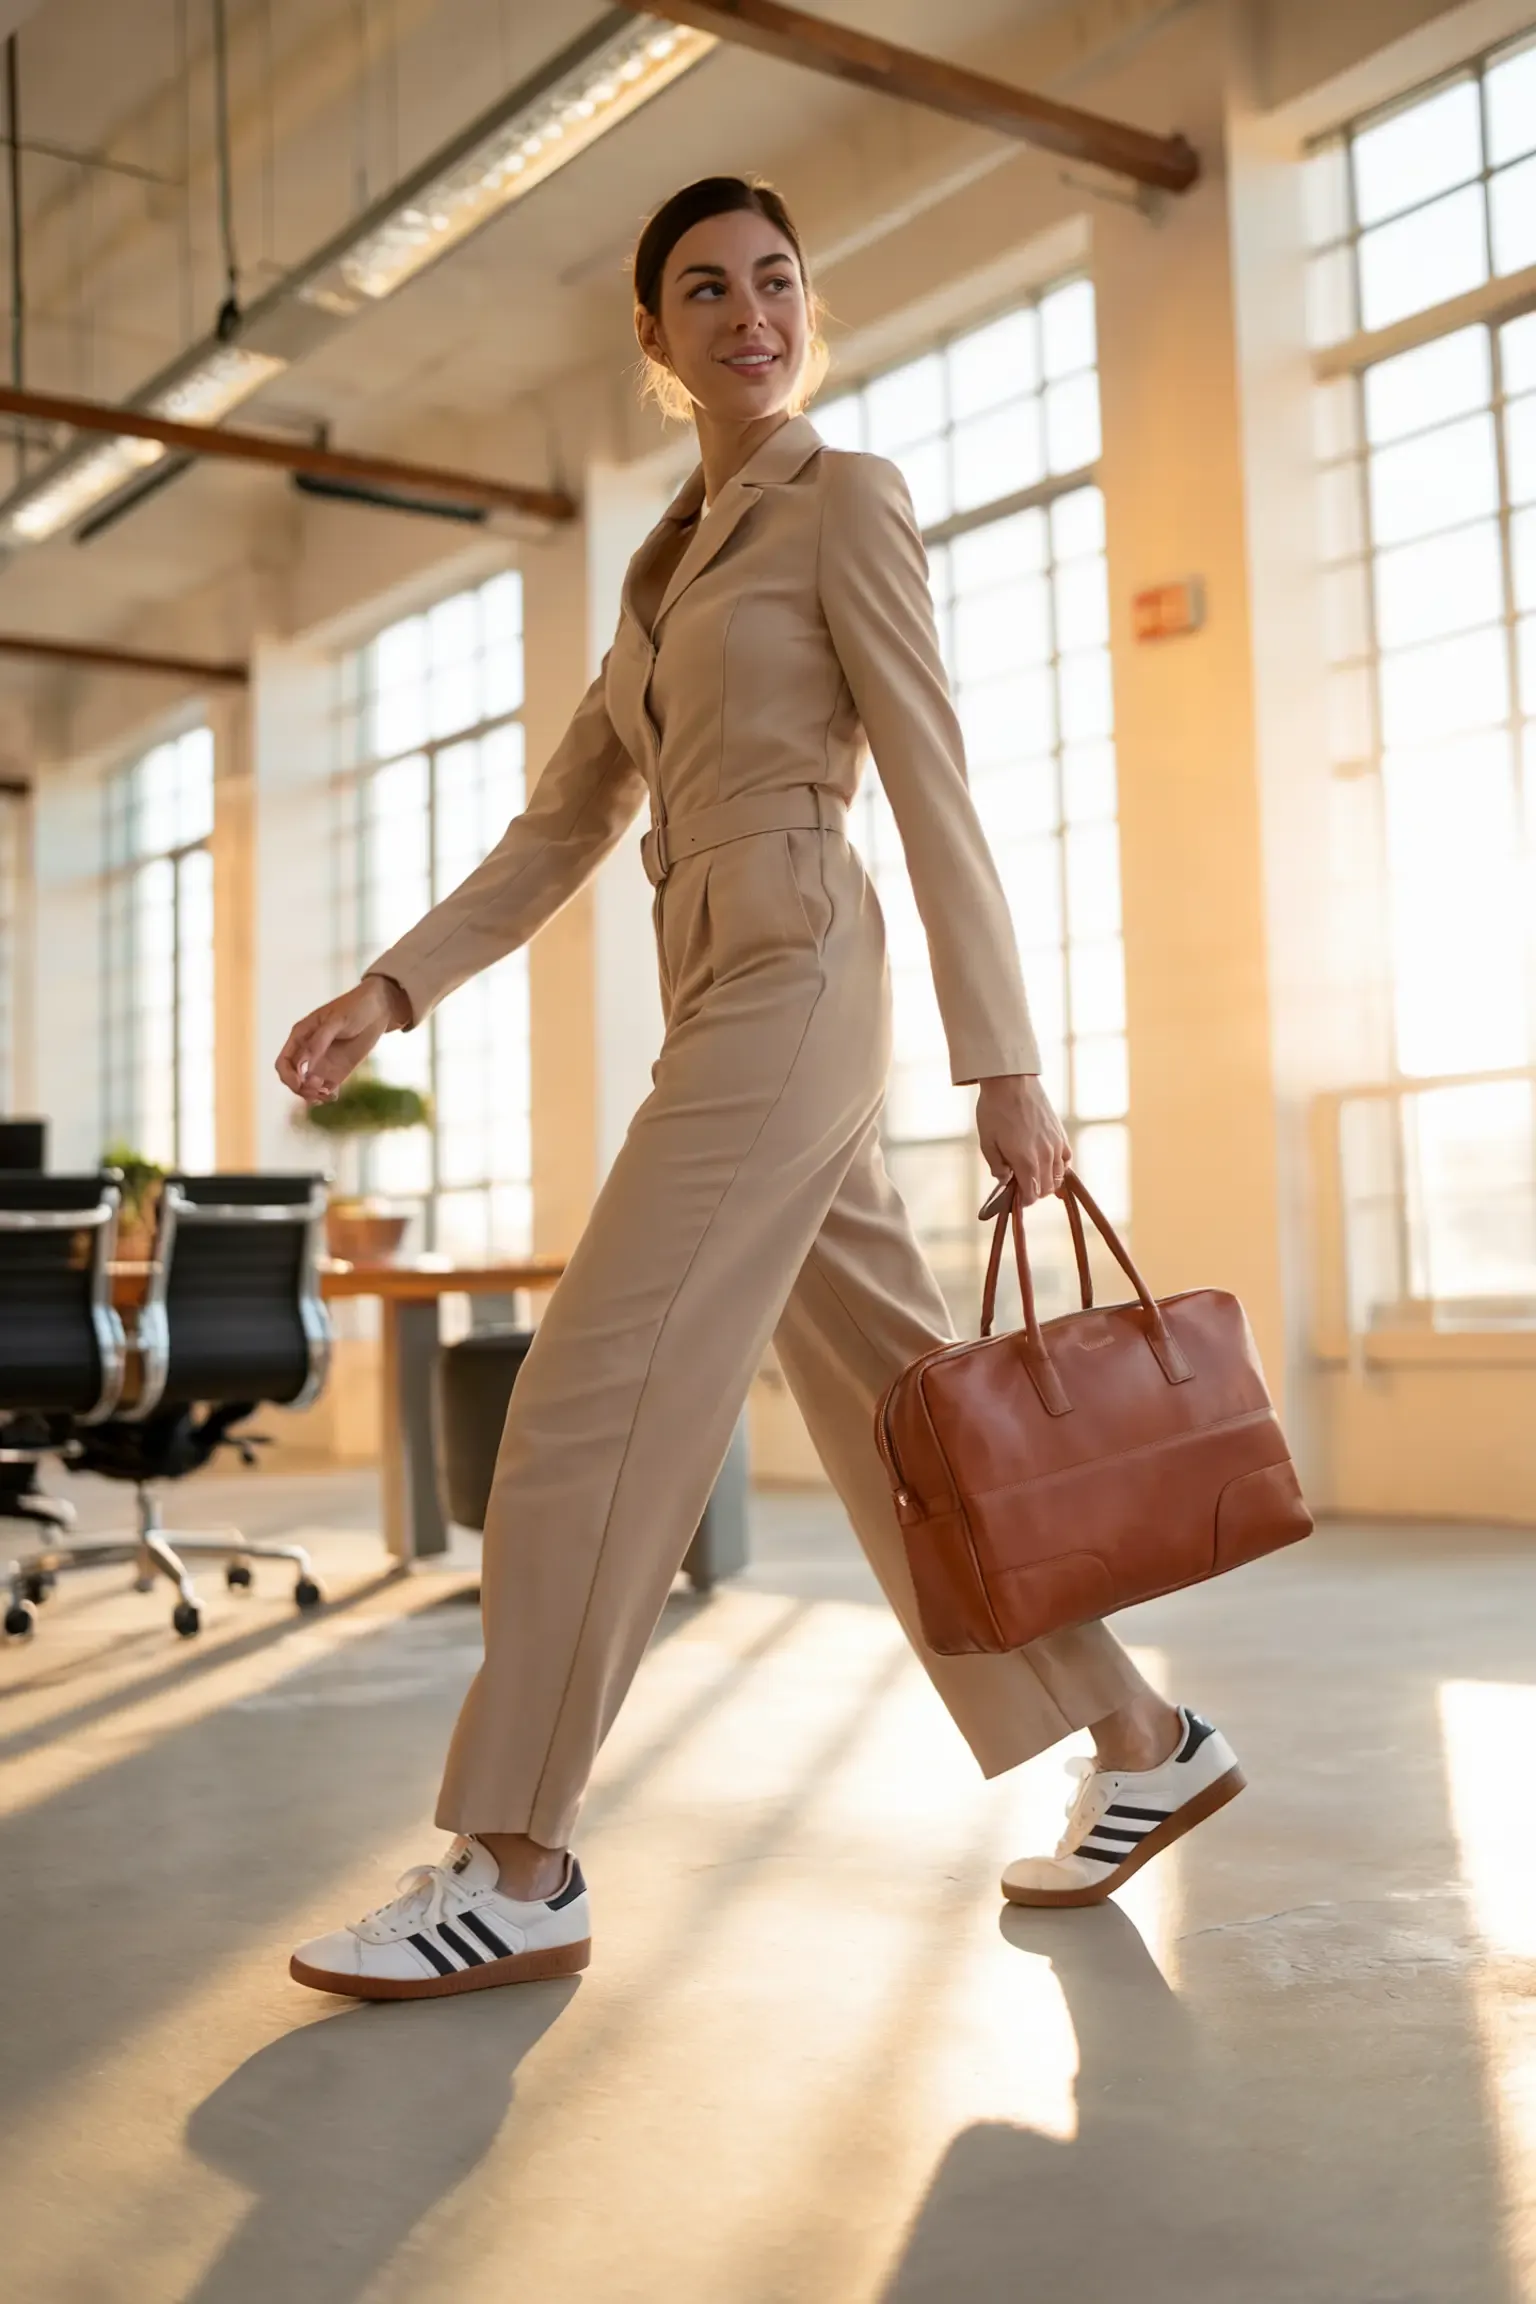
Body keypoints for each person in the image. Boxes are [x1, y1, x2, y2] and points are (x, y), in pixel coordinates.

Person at [276, 176, 1243, 2003]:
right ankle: (1142, 1738)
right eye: (705, 290)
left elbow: (935, 783)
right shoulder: (662, 574)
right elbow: (563, 821)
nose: (750, 313)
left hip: (801, 970)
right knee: (909, 1422)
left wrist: (1007, 1067)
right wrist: (390, 987)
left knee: (587, 1393)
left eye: (778, 280)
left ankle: (519, 1858)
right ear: (654, 339)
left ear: (808, 305)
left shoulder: (844, 498)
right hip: (720, 982)